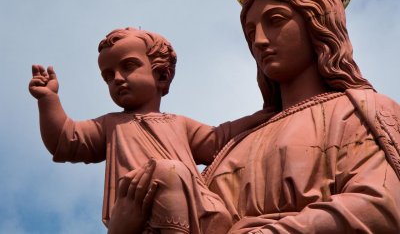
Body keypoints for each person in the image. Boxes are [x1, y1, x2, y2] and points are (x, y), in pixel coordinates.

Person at [202, 0, 400, 233]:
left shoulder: (359, 111)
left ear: (317, 25)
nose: (259, 41)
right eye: (251, 33)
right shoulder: (234, 145)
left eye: (275, 21)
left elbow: (381, 205)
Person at [28, 27, 270, 234]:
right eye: (109, 76)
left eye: (128, 67)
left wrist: (267, 114)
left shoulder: (178, 123)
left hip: (191, 210)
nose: (118, 79)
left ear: (162, 75)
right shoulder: (110, 125)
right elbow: (64, 139)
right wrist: (48, 99)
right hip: (137, 214)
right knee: (168, 170)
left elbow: (220, 139)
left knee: (170, 171)